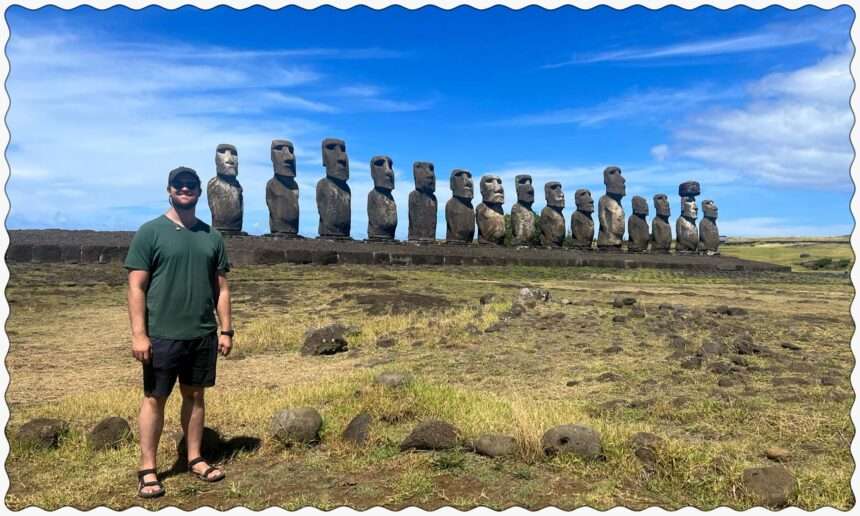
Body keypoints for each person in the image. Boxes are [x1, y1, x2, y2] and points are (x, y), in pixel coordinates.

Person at [125, 166, 234, 498]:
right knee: (155, 398)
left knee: (196, 395)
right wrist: (139, 334)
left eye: (191, 186)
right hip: (162, 333)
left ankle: (195, 458)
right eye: (179, 185)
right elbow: (135, 287)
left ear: (200, 192)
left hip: (201, 332)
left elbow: (222, 288)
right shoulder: (151, 232)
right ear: (169, 190)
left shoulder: (211, 236)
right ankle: (148, 468)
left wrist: (226, 330)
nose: (185, 190)